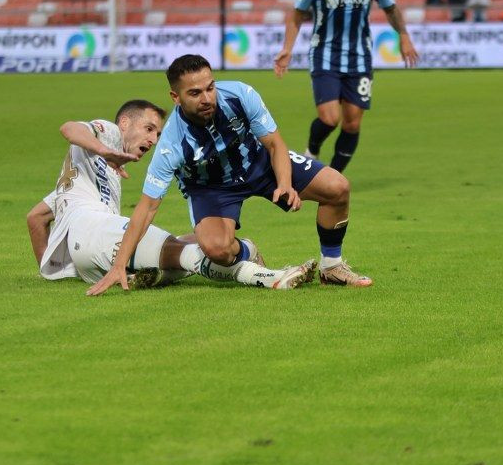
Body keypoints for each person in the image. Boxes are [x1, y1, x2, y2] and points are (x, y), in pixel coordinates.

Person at [86, 56, 359, 296]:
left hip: (259, 163)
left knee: (337, 187)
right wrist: (119, 264)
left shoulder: (240, 94)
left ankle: (332, 266)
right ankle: (247, 251)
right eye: (195, 93)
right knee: (218, 250)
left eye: (210, 87)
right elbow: (146, 209)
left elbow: (275, 144)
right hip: (210, 188)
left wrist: (285, 184)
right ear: (175, 97)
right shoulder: (170, 144)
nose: (206, 98)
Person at [28, 100, 313, 291]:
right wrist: (105, 151)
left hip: (91, 251)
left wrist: (52, 271)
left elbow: (35, 218)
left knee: (177, 245)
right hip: (95, 229)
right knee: (183, 255)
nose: (153, 140)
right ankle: (269, 277)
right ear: (125, 123)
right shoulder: (110, 133)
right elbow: (70, 128)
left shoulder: (73, 183)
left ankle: (241, 250)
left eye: (158, 133)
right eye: (148, 129)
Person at [274, 0, 418, 175]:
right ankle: (312, 150)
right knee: (330, 118)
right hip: (324, 55)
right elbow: (297, 13)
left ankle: (332, 177)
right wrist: (287, 48)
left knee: (352, 124)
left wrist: (404, 35)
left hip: (360, 59)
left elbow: (390, 8)